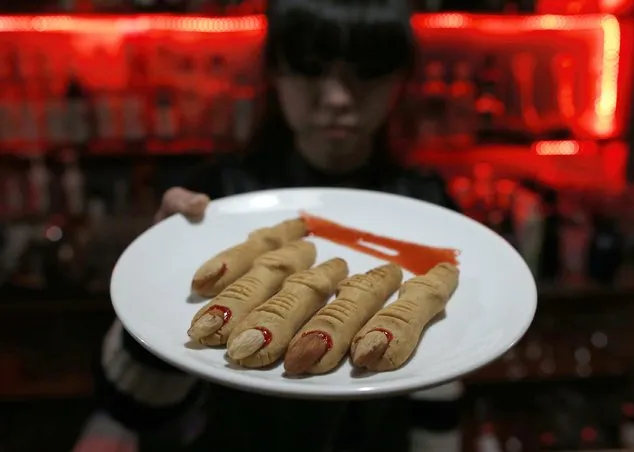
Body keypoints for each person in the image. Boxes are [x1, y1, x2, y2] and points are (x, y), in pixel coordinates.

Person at [74, 0, 462, 451]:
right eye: (310, 70)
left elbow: (439, 383)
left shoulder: (430, 206)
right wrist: (155, 292)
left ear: (401, 80)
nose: (337, 97)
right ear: (275, 73)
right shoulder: (219, 198)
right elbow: (134, 408)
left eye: (368, 72)